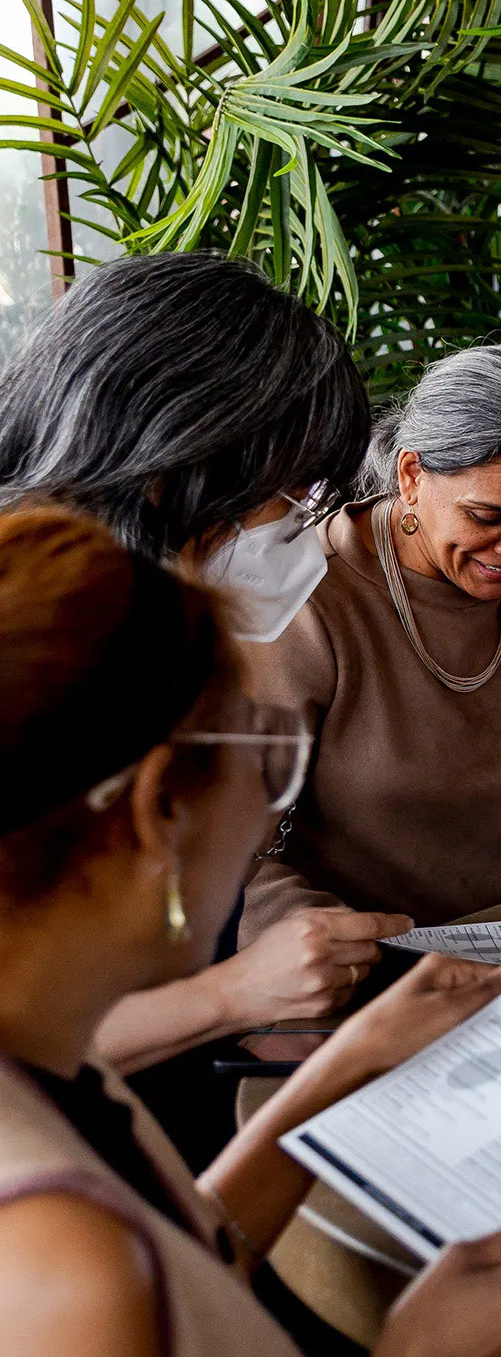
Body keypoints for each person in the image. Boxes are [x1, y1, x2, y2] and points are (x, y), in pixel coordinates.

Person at [0, 505, 501, 1355]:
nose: (271, 808)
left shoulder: (58, 1064)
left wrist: (354, 1055)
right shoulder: (64, 1264)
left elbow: (193, 1253)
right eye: (262, 753)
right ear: (157, 809)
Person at [0, 254, 413, 1080]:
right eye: (289, 494)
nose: (304, 527)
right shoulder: (37, 659)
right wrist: (231, 996)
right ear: (169, 470)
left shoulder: (142, 640)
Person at [240, 343, 501, 939]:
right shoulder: (310, 599)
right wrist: (365, 960)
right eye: (487, 517)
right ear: (411, 476)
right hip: (354, 964)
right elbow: (242, 856)